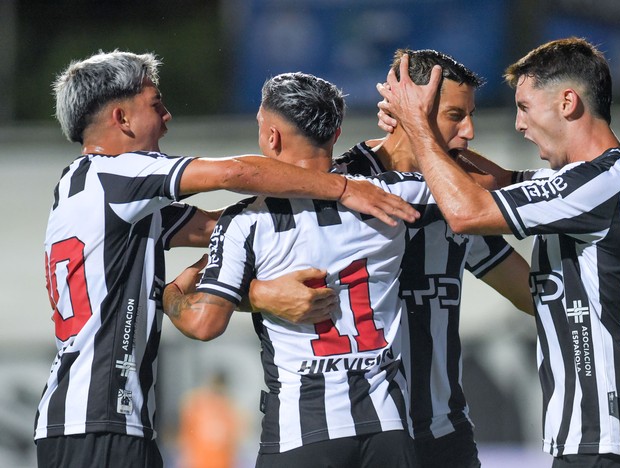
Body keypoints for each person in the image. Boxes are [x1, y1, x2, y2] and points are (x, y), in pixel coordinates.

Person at [34, 50, 418, 468]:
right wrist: (343, 189)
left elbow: (225, 229)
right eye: (156, 104)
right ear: (122, 119)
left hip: (86, 417)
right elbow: (234, 174)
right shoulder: (118, 174)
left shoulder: (86, 185)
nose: (167, 117)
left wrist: (254, 284)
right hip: (101, 419)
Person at [378, 37, 620, 467]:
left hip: (608, 434)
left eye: (524, 106)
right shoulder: (609, 177)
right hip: (614, 433)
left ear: (567, 102)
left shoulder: (600, 183)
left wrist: (420, 127)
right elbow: (496, 180)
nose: (519, 124)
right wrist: (416, 127)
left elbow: (467, 212)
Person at [163, 71, 489, 468]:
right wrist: (414, 127)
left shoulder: (245, 223)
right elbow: (472, 199)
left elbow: (203, 324)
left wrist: (172, 289)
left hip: (303, 433)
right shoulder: (392, 196)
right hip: (387, 430)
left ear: (271, 138)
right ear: (336, 135)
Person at [332, 48, 533, 468]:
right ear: (414, 108)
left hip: (446, 432)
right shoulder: (342, 187)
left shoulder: (456, 201)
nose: (470, 131)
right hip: (364, 433)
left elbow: (529, 292)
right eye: (456, 115)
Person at [177, 370, 246, 468]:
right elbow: (185, 436)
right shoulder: (196, 404)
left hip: (221, 462)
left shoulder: (229, 408)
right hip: (200, 462)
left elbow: (235, 440)